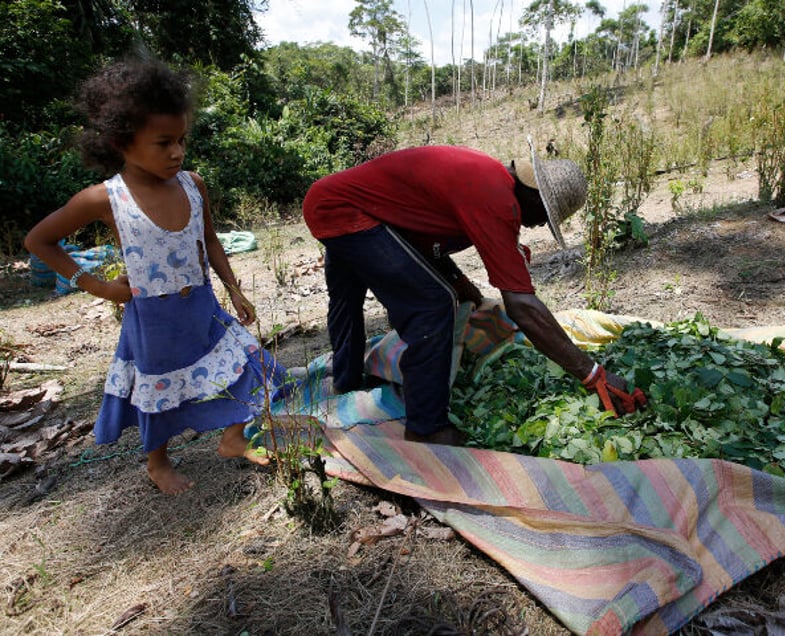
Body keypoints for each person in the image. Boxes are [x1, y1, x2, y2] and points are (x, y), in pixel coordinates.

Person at [25, 58, 288, 494]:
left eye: (182, 140)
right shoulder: (104, 198)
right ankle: (157, 461)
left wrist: (233, 289)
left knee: (249, 365)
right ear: (120, 142)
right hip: (152, 320)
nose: (177, 152)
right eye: (163, 142)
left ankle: (232, 437)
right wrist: (101, 287)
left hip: (203, 305)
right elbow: (39, 241)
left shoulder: (192, 184)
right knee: (156, 391)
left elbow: (211, 241)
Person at [302, 142, 647, 445]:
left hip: (330, 201)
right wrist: (592, 373)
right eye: (546, 216)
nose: (540, 225)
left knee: (350, 297)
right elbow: (522, 305)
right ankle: (425, 427)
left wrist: (458, 279)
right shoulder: (497, 198)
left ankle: (345, 380)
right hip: (348, 211)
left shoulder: (487, 176)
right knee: (433, 306)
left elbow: (420, 230)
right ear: (534, 196)